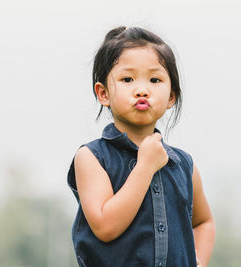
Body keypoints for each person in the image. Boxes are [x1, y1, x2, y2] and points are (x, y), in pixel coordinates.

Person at [67, 26, 215, 267]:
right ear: (103, 93)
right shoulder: (91, 158)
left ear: (171, 96)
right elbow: (105, 226)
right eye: (127, 79)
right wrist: (145, 166)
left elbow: (203, 222)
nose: (142, 90)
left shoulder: (184, 165)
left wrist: (198, 260)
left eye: (155, 80)